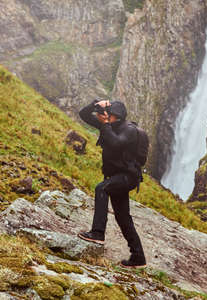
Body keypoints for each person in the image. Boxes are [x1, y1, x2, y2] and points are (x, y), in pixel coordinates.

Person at [78, 99, 146, 268]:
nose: (105, 117)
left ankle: (97, 233)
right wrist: (95, 104)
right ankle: (138, 257)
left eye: (109, 115)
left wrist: (106, 124)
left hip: (127, 177)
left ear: (118, 117)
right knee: (123, 218)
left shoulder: (129, 130)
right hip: (116, 177)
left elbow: (116, 144)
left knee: (101, 189)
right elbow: (83, 115)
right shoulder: (108, 125)